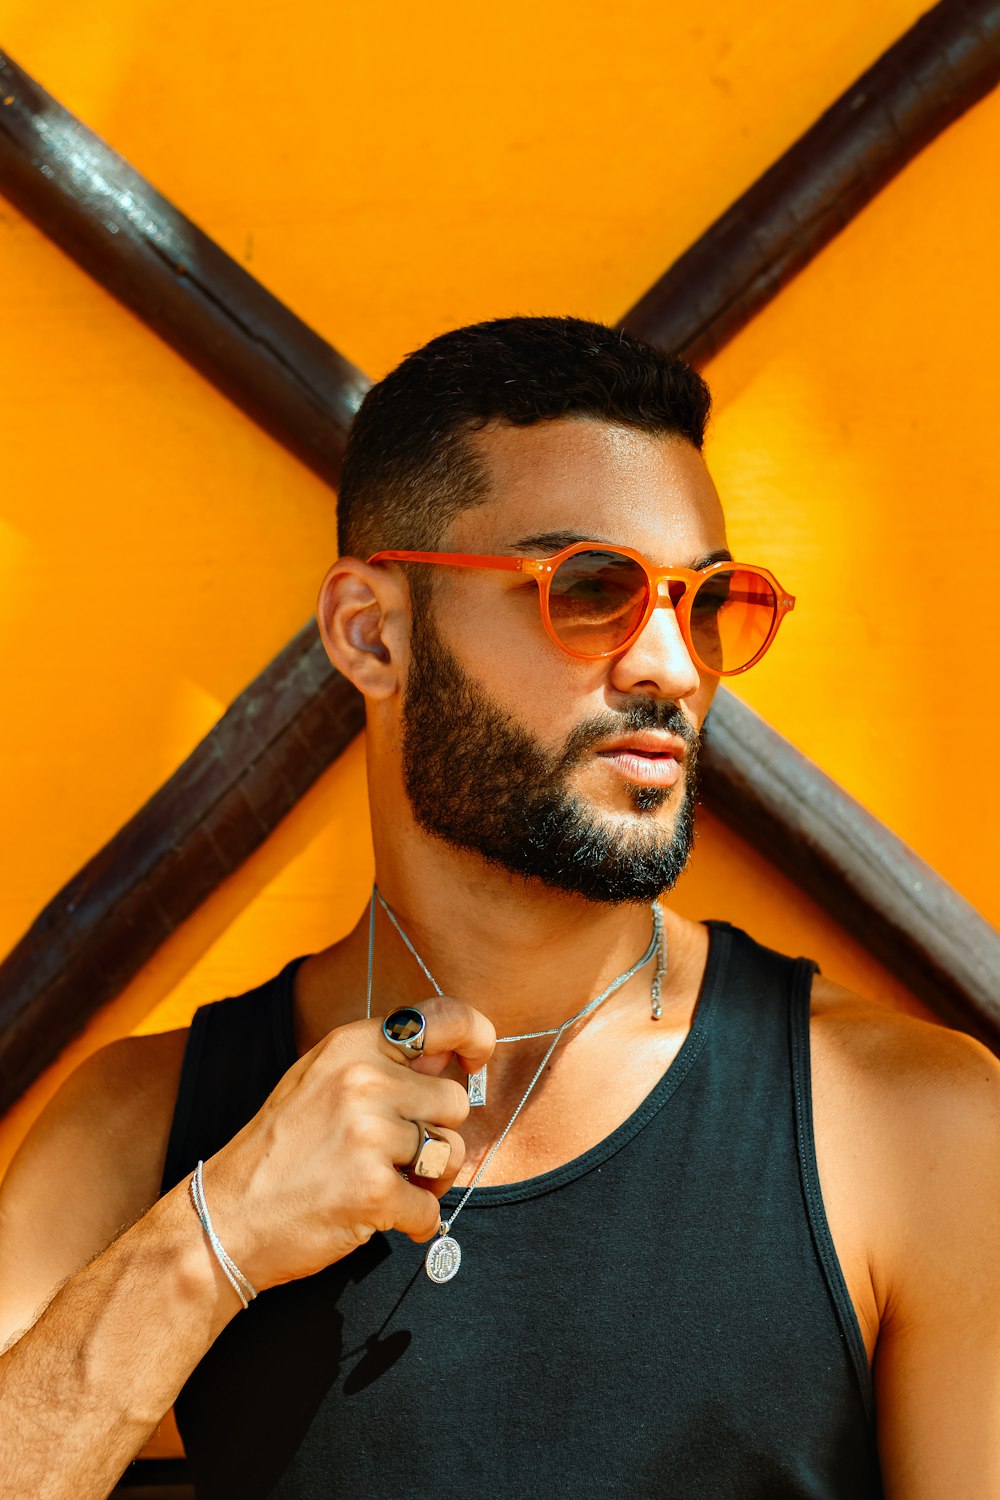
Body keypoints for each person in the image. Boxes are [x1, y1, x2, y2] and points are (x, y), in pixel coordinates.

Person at [0, 316, 997, 1500]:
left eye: (705, 602)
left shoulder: (909, 1135)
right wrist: (214, 1238)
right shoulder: (141, 1133)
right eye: (588, 589)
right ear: (371, 633)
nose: (670, 667)